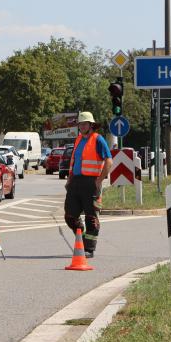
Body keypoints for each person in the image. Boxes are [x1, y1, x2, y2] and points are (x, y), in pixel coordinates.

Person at [64, 111, 113, 258]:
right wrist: (69, 179)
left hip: (91, 183)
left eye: (85, 123)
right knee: (70, 216)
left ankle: (89, 249)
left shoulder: (98, 139)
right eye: (80, 124)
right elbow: (75, 161)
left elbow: (109, 161)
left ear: (91, 125)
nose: (82, 126)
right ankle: (82, 237)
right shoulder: (78, 139)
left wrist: (99, 180)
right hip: (75, 182)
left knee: (91, 217)